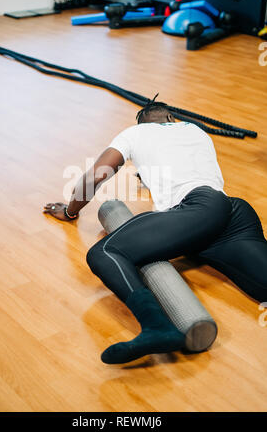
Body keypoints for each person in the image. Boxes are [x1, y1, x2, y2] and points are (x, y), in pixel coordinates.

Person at [44, 98, 267, 364]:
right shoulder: (195, 130)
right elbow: (175, 159)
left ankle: (156, 327)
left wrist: (70, 211)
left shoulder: (133, 133)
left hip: (197, 210)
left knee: (105, 252)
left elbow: (96, 176)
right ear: (170, 119)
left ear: (141, 124)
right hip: (233, 213)